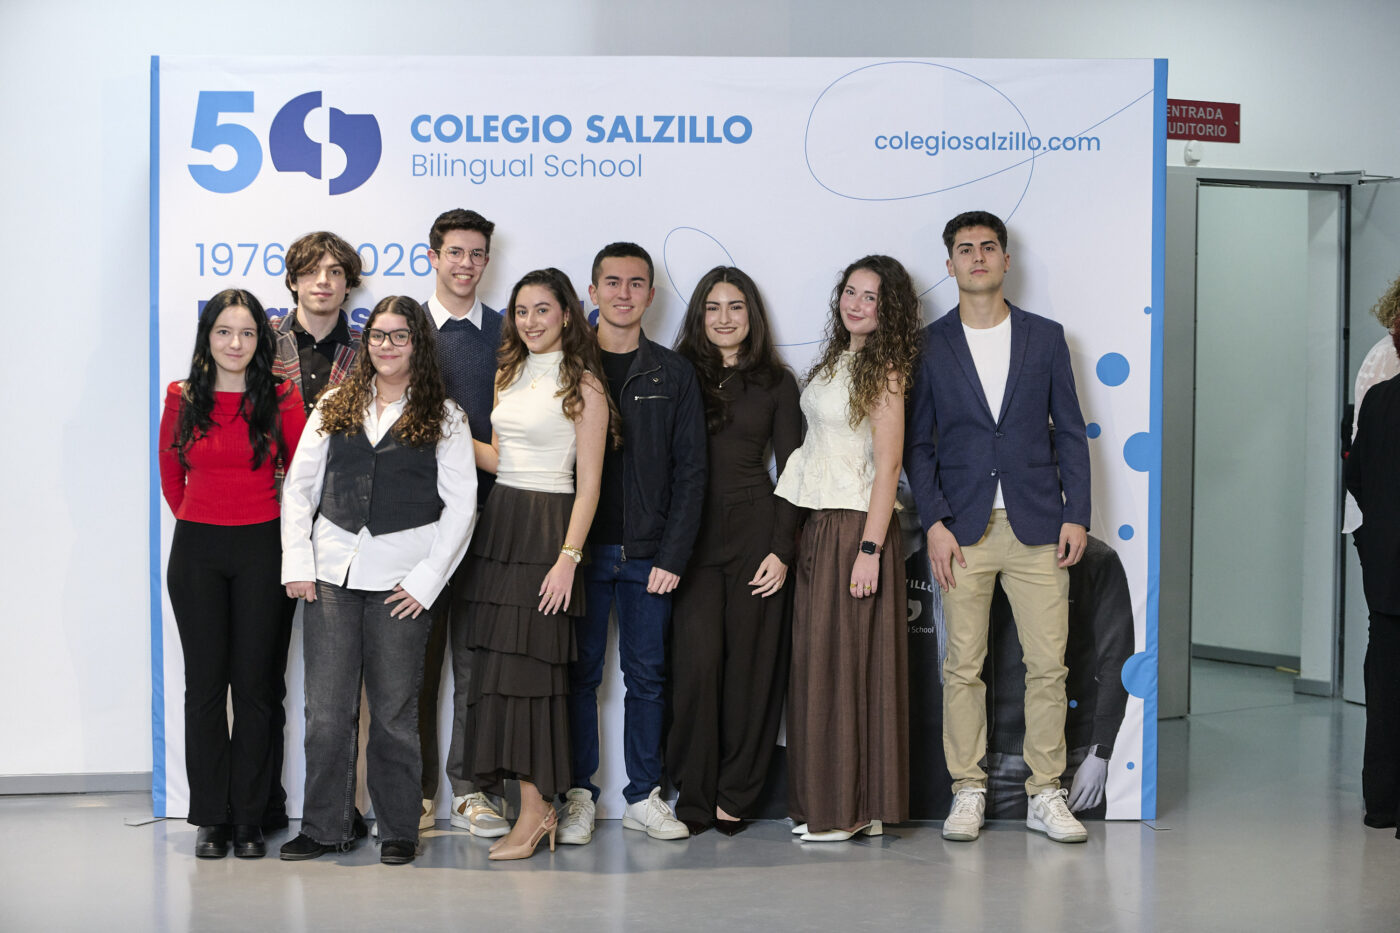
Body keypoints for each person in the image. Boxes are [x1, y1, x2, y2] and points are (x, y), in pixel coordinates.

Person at [905, 210, 1092, 844]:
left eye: (988, 247)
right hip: (962, 529)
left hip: (1040, 526)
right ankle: (968, 788)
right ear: (950, 263)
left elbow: (1071, 431)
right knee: (963, 666)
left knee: (1049, 667)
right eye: (965, 249)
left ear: (1006, 260)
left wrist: (1076, 513)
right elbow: (918, 445)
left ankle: (1046, 792)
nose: (978, 256)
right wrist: (934, 520)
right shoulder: (931, 345)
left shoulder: (1046, 337)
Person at [278, 297, 476, 866]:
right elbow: (300, 487)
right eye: (378, 336)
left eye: (399, 336)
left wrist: (427, 581)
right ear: (367, 344)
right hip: (331, 575)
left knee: (393, 713)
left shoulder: (446, 416)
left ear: (418, 344)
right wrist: (298, 562)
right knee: (326, 712)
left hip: (402, 583)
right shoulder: (335, 403)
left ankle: (397, 829)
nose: (387, 346)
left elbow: (462, 508)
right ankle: (326, 827)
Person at [461, 268, 611, 860]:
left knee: (534, 677)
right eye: (521, 311)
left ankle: (537, 809)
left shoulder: (585, 383)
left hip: (550, 529)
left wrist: (568, 559)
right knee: (499, 673)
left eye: (542, 310)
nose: (530, 321)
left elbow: (590, 484)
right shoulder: (508, 372)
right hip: (501, 525)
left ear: (567, 314)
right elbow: (502, 459)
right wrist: (449, 429)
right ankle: (530, 807)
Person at [559, 242, 706, 844]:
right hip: (580, 556)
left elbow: (692, 472)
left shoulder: (672, 372)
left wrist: (672, 555)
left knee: (647, 680)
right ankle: (576, 796)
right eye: (613, 283)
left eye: (636, 283)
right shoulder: (566, 367)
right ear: (592, 293)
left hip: (647, 558)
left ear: (650, 294)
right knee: (578, 678)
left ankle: (644, 796)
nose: (624, 294)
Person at [774, 254, 920, 842]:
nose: (856, 304)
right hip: (821, 526)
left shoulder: (886, 371)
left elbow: (888, 467)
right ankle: (831, 803)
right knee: (820, 668)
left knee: (848, 668)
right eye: (851, 292)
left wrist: (869, 548)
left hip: (857, 528)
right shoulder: (838, 360)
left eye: (871, 297)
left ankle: (851, 809)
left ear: (890, 310)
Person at [159, 288, 307, 859]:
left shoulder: (281, 395)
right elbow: (170, 470)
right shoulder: (182, 396)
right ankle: (211, 818)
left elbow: (302, 473)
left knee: (255, 689)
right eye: (224, 331)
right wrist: (199, 516)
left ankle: (249, 817)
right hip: (196, 551)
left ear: (260, 340)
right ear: (208, 337)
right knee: (204, 689)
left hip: (262, 548)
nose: (236, 343)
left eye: (247, 333)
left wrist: (260, 526)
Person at [666, 266, 801, 835]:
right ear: (699, 314)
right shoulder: (676, 374)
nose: (724, 318)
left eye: (736, 306)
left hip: (756, 531)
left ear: (753, 315)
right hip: (690, 535)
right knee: (696, 666)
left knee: (752, 667)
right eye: (713, 307)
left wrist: (783, 549)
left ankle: (737, 790)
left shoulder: (777, 382)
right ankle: (693, 792)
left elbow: (794, 469)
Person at [266, 229, 364, 833]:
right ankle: (262, 805)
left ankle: (339, 808)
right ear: (294, 281)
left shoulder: (369, 350)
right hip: (264, 524)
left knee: (338, 688)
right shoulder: (261, 343)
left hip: (342, 529)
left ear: (348, 283)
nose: (323, 282)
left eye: (334, 271)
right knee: (261, 678)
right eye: (311, 271)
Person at [418, 208, 510, 837]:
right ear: (433, 256)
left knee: (477, 666)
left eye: (477, 254)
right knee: (415, 667)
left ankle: (472, 791)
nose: (466, 264)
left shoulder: (507, 332)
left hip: (488, 522)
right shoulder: (404, 327)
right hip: (413, 527)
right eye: (455, 252)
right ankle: (416, 791)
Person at [984, 535, 1133, 820]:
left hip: (1073, 750)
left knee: (1081, 848)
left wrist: (1100, 752)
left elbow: (1117, 660)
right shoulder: (984, 554)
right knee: (996, 849)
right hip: (1000, 752)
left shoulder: (1097, 559)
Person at [1344, 327, 1400, 835]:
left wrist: (1378, 531)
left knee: (1384, 688)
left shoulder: (1378, 400)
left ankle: (1382, 805)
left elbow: (1355, 476)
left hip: (1385, 570)